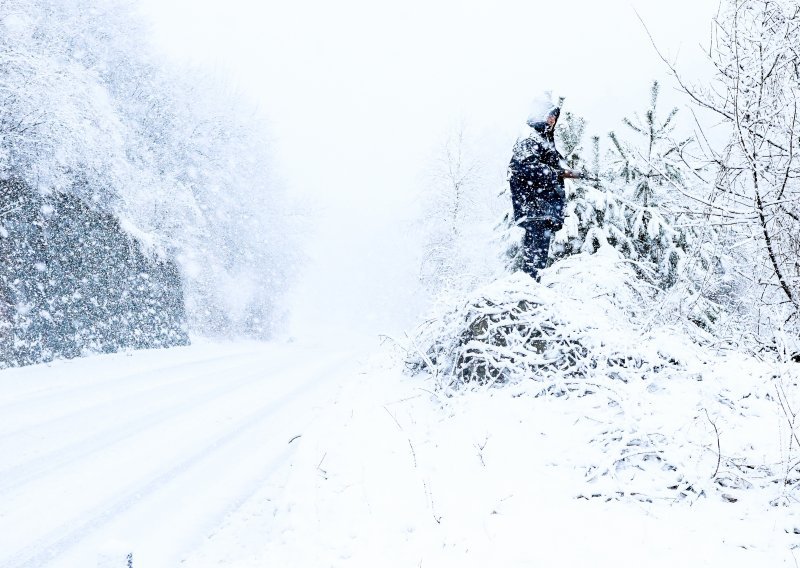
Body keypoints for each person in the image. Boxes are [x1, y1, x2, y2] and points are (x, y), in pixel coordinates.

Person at [508, 96, 586, 280]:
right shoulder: (529, 139)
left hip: (544, 211)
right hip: (535, 208)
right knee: (533, 259)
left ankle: (532, 290)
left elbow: (552, 167)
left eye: (554, 117)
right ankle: (528, 292)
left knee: (539, 261)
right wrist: (557, 173)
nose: (552, 120)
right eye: (550, 116)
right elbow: (526, 167)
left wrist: (569, 172)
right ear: (540, 115)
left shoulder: (545, 142)